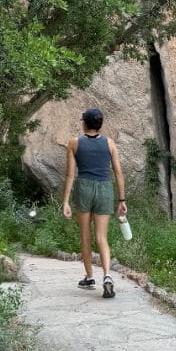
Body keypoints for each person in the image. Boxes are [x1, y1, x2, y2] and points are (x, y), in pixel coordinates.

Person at [62, 108, 127, 298]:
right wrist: (122, 199)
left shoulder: (74, 143)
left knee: (85, 237)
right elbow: (118, 173)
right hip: (105, 189)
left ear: (84, 123)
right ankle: (107, 275)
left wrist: (65, 202)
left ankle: (90, 277)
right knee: (102, 238)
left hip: (84, 188)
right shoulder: (110, 144)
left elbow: (69, 175)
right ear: (99, 124)